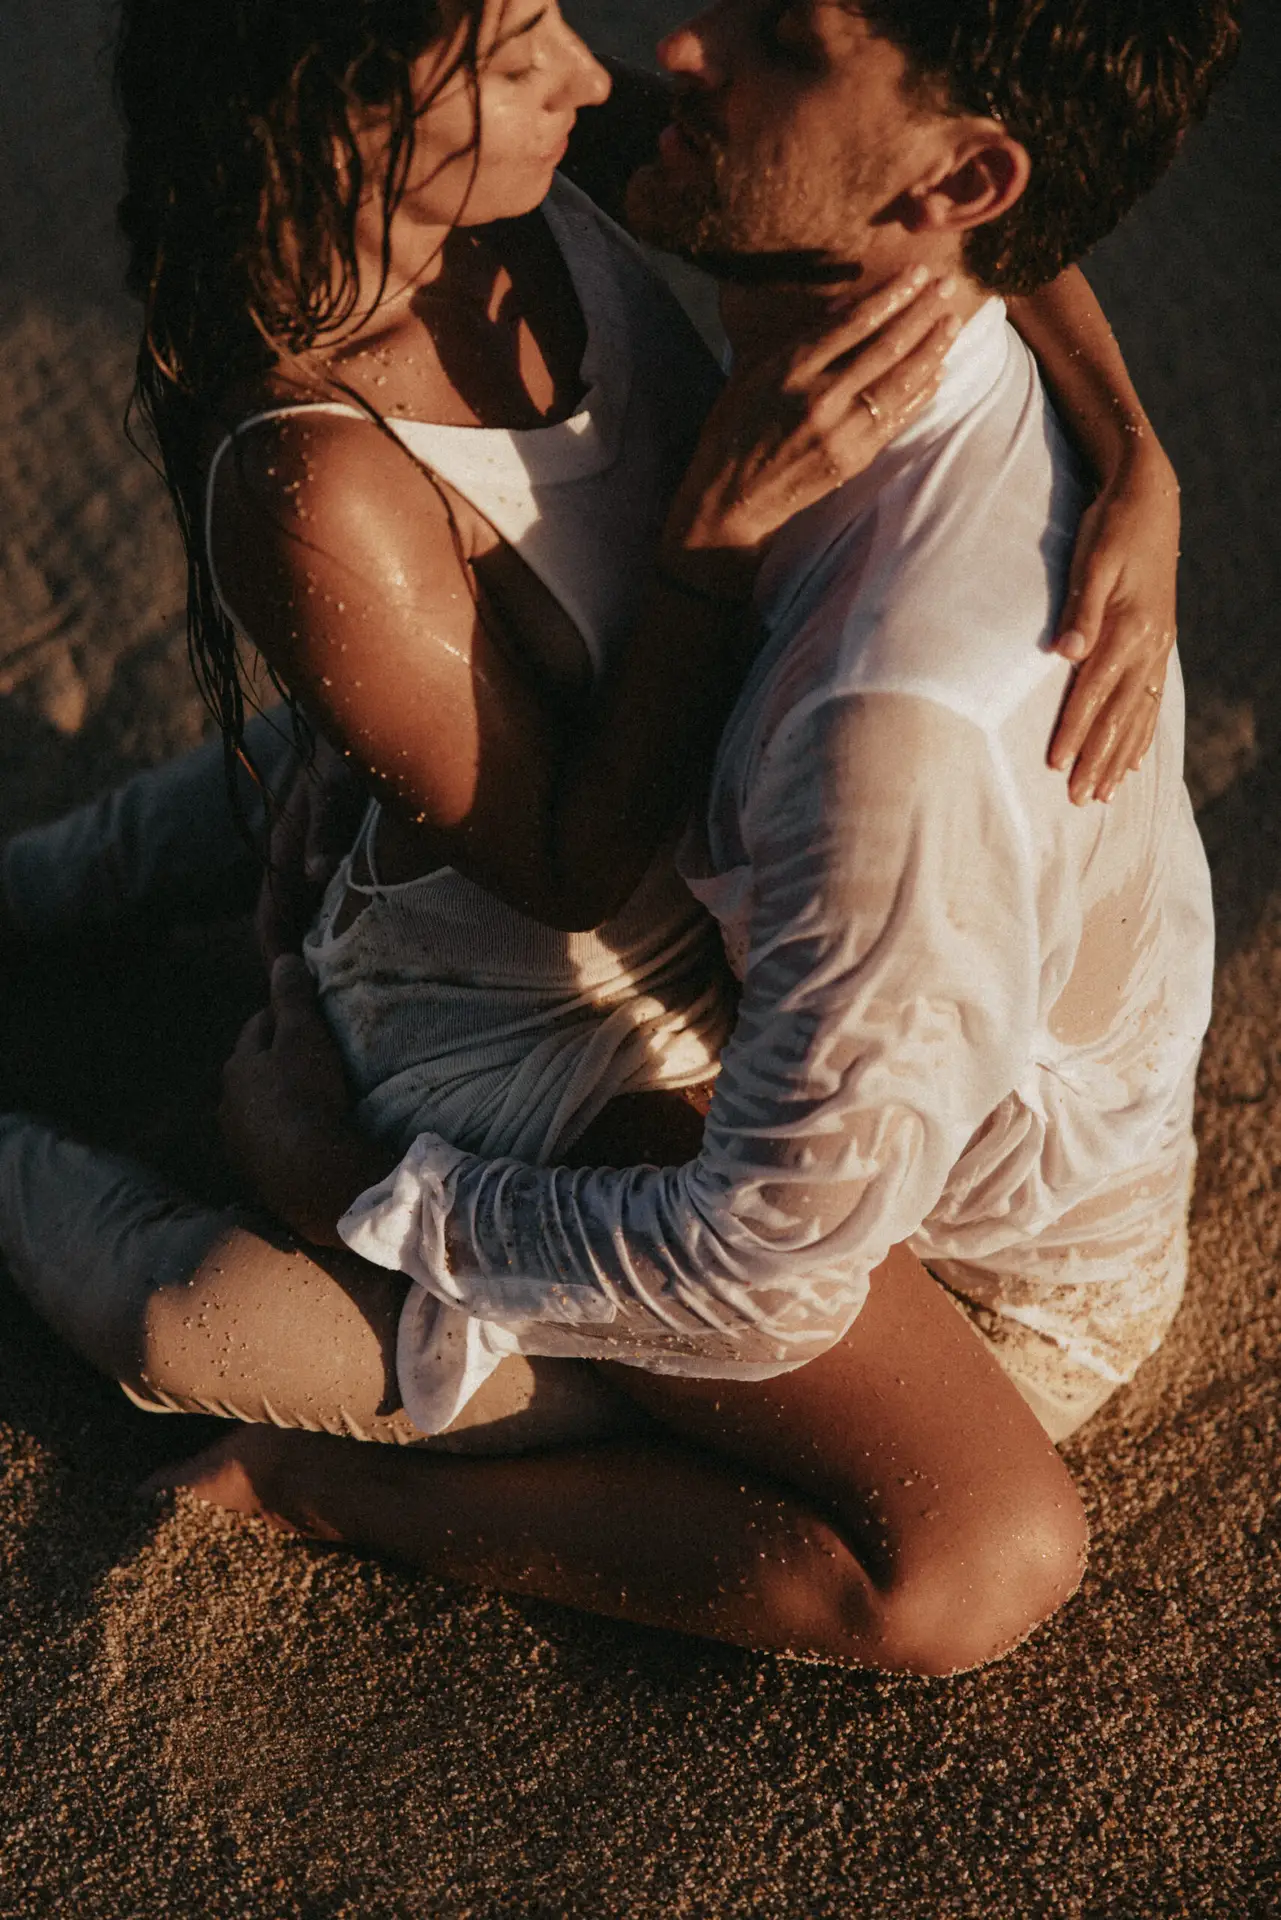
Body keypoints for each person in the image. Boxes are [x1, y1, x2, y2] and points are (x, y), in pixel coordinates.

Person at [0, 0, 1227, 1671]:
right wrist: (708, 556)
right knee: (202, 1310)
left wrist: (1139, 450)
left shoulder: (574, 164)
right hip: (540, 1011)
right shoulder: (335, 476)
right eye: (521, 58)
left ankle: (71, 886)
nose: (609, 69)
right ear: (359, 126)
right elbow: (562, 868)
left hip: (643, 824)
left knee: (346, 773)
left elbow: (960, 196)